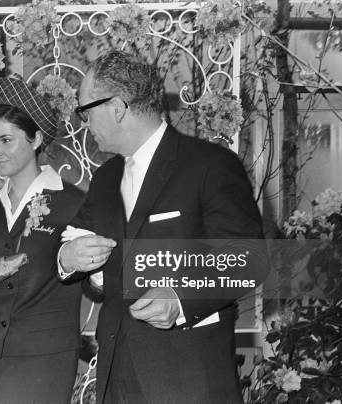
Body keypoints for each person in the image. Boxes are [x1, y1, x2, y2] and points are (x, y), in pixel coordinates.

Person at [58, 51, 268, 403]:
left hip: (187, 380)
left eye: (85, 110)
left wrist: (180, 298)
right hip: (115, 377)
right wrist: (68, 257)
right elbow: (88, 265)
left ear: (117, 108)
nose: (84, 123)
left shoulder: (211, 165)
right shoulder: (105, 178)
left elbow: (249, 259)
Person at [0, 78, 85, 403]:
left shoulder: (73, 203)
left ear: (36, 138)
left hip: (45, 359)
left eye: (6, 140)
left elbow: (91, 282)